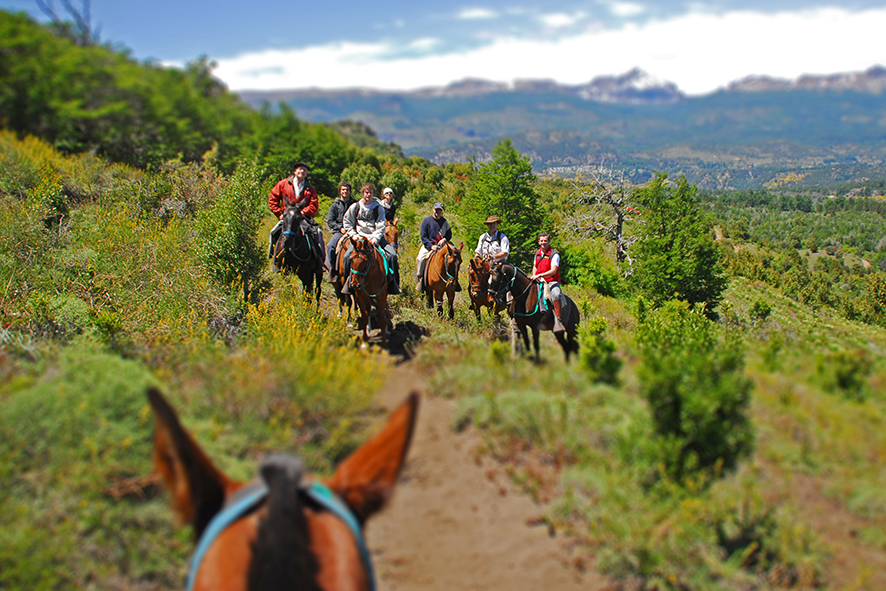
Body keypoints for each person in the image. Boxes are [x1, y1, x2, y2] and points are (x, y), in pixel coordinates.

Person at [340, 183, 400, 295]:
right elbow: (347, 222)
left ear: (373, 194)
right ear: (363, 193)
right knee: (347, 257)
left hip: (375, 238)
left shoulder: (378, 208)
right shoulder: (355, 207)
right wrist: (353, 235)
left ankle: (393, 284)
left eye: (370, 192)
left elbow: (381, 224)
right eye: (366, 192)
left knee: (392, 255)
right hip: (359, 238)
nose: (368, 195)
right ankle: (348, 283)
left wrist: (375, 238)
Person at [268, 161, 326, 271]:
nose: (302, 171)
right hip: (287, 218)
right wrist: (279, 214)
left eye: (305, 170)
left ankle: (319, 261)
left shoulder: (310, 188)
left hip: (303, 218)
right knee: (273, 232)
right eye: (300, 169)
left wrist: (303, 212)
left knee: (317, 233)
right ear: (295, 171)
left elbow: (314, 204)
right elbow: (272, 199)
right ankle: (274, 261)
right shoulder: (283, 184)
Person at [415, 202, 461, 292]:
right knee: (421, 258)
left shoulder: (444, 222)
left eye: (439, 210)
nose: (437, 212)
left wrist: (444, 239)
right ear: (433, 209)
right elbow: (423, 237)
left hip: (442, 246)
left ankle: (455, 280)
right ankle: (420, 279)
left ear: (442, 211)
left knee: (454, 258)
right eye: (436, 210)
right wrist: (431, 246)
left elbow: (449, 234)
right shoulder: (426, 221)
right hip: (429, 245)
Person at [530, 232, 565, 333]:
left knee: (556, 293)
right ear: (538, 242)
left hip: (551, 281)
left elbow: (553, 270)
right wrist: (534, 275)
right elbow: (535, 266)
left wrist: (540, 275)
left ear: (549, 241)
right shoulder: (537, 253)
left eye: (545, 240)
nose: (543, 243)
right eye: (541, 241)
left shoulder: (554, 254)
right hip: (538, 279)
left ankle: (558, 320)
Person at [326, 181, 357, 281]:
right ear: (340, 191)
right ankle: (332, 269)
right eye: (343, 189)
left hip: (354, 230)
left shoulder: (355, 204)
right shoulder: (335, 204)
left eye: (347, 190)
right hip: (340, 231)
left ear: (350, 191)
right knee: (330, 246)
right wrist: (340, 228)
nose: (345, 191)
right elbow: (330, 221)